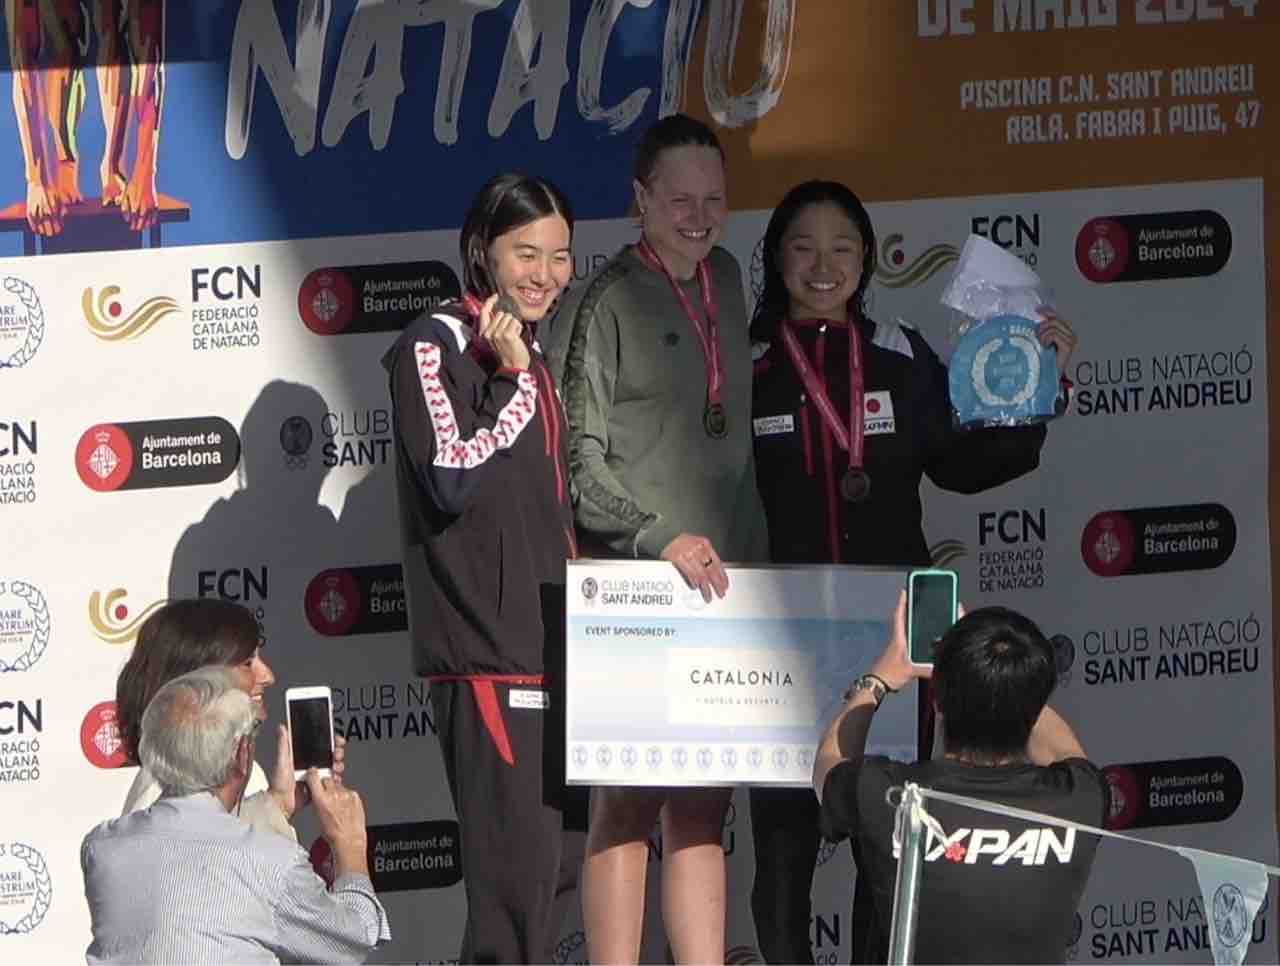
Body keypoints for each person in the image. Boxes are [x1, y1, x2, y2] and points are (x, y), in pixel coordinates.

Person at [748, 180, 1078, 963]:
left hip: (893, 635)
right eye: (803, 247)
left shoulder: (900, 353)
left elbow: (963, 465)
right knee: (784, 849)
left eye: (842, 248)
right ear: (776, 259)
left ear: (866, 258)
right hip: (778, 637)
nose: (822, 266)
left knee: (889, 841)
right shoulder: (746, 361)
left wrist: (1040, 390)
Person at [545, 114, 768, 965]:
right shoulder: (601, 299)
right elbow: (574, 461)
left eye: (714, 199)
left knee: (705, 805)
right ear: (640, 199)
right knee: (628, 803)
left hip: (724, 585)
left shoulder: (728, 279)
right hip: (635, 587)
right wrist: (657, 535)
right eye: (680, 200)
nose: (700, 217)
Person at [383, 172, 584, 964]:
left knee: (558, 875)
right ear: (483, 253)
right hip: (489, 656)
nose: (545, 274)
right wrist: (509, 382)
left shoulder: (531, 354)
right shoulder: (433, 342)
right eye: (525, 253)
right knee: (513, 895)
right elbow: (449, 477)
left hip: (559, 647)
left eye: (560, 256)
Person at [814, 596, 1106, 964]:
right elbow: (1064, 748)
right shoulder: (1080, 799)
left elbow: (828, 764)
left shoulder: (889, 796)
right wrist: (1001, 674)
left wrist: (879, 679)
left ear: (937, 703)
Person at [82, 666, 390, 963]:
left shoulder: (102, 848)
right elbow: (355, 938)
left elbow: (199, 860)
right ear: (242, 753)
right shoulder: (274, 864)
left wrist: (279, 802)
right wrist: (350, 844)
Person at [116, 597, 345, 840]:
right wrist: (349, 846)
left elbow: (232, 852)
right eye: (247, 663)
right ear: (196, 682)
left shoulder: (243, 770)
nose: (268, 676)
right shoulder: (163, 790)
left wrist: (281, 802)